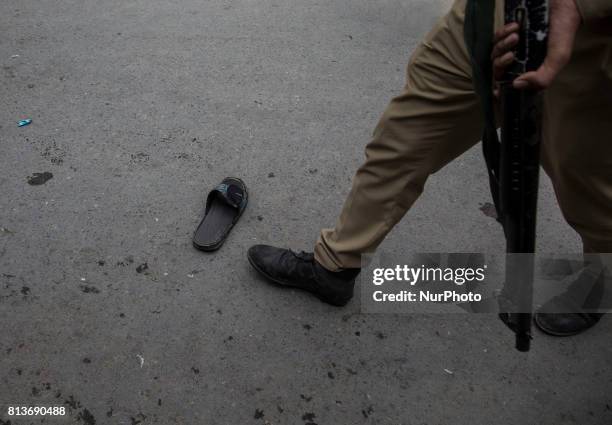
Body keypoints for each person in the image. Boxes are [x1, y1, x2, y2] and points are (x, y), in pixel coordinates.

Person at [247, 0, 612, 336]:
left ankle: (602, 275)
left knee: (588, 185)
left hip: (589, 37)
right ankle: (335, 264)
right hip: (492, 12)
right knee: (405, 137)